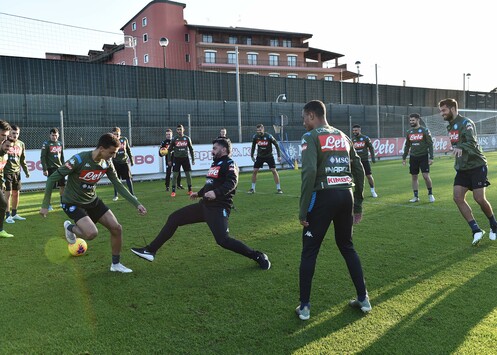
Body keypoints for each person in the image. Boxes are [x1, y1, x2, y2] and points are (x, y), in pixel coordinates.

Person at [131, 137, 271, 270]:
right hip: (204, 206)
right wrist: (198, 193)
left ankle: (257, 255)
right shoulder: (215, 163)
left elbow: (232, 183)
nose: (212, 150)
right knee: (174, 218)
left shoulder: (230, 164)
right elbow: (210, 184)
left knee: (223, 240)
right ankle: (150, 251)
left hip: (218, 208)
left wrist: (216, 193)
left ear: (223, 150)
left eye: (215, 148)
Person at [296, 100, 371, 321]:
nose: (303, 123)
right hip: (345, 195)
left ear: (311, 115)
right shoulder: (343, 136)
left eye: (304, 118)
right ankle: (363, 298)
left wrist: (302, 211)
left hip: (322, 196)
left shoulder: (310, 137)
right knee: (347, 246)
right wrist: (357, 204)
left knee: (309, 250)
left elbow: (309, 173)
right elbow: (358, 169)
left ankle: (305, 307)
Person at [39, 133, 147, 273]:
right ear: (102, 149)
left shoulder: (107, 163)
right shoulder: (79, 159)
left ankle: (115, 265)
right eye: (111, 152)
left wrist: (136, 203)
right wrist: (45, 205)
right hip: (72, 203)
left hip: (92, 201)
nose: (114, 156)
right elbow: (52, 178)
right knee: (91, 234)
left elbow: (118, 185)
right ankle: (70, 228)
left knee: (117, 228)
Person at [439, 98, 497, 245]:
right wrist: (454, 148)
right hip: (462, 168)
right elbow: (458, 145)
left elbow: (472, 142)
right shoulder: (450, 127)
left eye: (444, 110)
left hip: (477, 166)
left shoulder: (466, 123)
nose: (442, 114)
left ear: (452, 109)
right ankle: (476, 230)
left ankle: (494, 225)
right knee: (457, 197)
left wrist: (460, 147)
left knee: (479, 199)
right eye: (441, 111)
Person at [402, 113, 435, 203]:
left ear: (418, 120)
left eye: (413, 120)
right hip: (413, 157)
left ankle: (430, 194)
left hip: (423, 156)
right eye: (410, 120)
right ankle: (416, 196)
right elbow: (407, 145)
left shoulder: (425, 130)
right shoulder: (409, 132)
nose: (411, 122)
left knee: (425, 176)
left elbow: (430, 144)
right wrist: (404, 157)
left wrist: (431, 157)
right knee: (414, 177)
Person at [4, 124, 30, 224]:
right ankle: (7, 215)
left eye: (17, 133)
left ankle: (14, 214)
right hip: (7, 172)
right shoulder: (4, 142)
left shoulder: (21, 144)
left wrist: (26, 171)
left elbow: (23, 159)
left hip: (17, 172)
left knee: (16, 193)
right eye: (13, 133)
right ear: (9, 133)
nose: (15, 135)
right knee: (8, 193)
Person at [248, 124, 283, 194]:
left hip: (269, 156)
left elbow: (276, 145)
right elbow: (253, 146)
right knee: (255, 171)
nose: (258, 131)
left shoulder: (269, 136)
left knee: (274, 171)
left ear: (263, 129)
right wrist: (252, 156)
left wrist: (279, 156)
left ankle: (279, 189)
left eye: (260, 130)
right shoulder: (255, 137)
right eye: (257, 130)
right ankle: (252, 188)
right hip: (260, 156)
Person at [40, 128, 65, 210]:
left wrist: (64, 167)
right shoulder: (46, 144)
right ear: (50, 135)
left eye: (56, 135)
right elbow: (43, 157)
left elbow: (62, 157)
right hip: (51, 168)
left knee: (62, 186)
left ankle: (62, 202)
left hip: (60, 168)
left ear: (58, 135)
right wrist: (45, 169)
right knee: (50, 187)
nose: (54, 137)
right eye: (52, 135)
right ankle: (48, 204)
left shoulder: (60, 143)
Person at [352, 124, 378, 198]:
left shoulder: (365, 138)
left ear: (359, 130)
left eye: (356, 130)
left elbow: (371, 148)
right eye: (353, 130)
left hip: (365, 160)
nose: (354, 132)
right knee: (356, 177)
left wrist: (373, 158)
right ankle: (358, 193)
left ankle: (373, 191)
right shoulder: (352, 140)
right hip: (356, 161)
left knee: (369, 176)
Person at [168, 124, 195, 197]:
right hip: (176, 159)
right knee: (174, 175)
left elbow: (191, 149)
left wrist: (193, 159)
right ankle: (173, 191)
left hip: (185, 158)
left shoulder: (187, 138)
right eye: (178, 129)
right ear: (176, 130)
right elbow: (169, 150)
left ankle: (190, 190)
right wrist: (169, 160)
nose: (179, 131)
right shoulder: (174, 139)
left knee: (188, 175)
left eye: (181, 129)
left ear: (183, 129)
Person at [111, 127, 134, 201]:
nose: (116, 136)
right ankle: (115, 195)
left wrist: (131, 159)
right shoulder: (111, 141)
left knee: (128, 178)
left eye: (117, 134)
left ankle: (132, 195)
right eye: (114, 134)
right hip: (115, 162)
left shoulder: (124, 139)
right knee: (116, 179)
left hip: (124, 161)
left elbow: (128, 149)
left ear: (120, 133)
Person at [0, 120, 15, 238]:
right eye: (2, 135)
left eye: (6, 136)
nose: (5, 138)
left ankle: (0, 230)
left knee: (3, 203)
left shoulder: (4, 150)